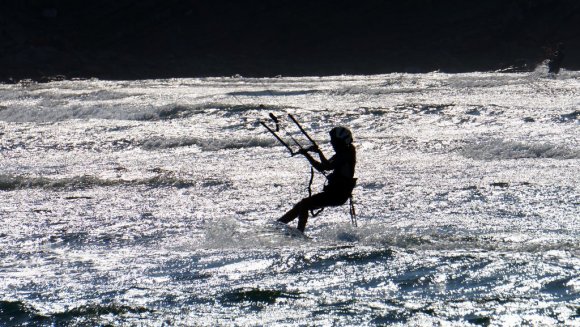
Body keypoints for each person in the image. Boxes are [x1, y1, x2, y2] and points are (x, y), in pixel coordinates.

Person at [277, 126, 356, 233]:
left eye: (334, 140)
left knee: (304, 204)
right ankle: (279, 225)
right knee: (301, 206)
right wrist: (312, 153)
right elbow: (323, 166)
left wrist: (313, 153)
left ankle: (300, 233)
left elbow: (326, 166)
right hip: (335, 193)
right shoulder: (343, 153)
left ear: (341, 141)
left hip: (338, 194)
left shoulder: (346, 154)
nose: (331, 143)